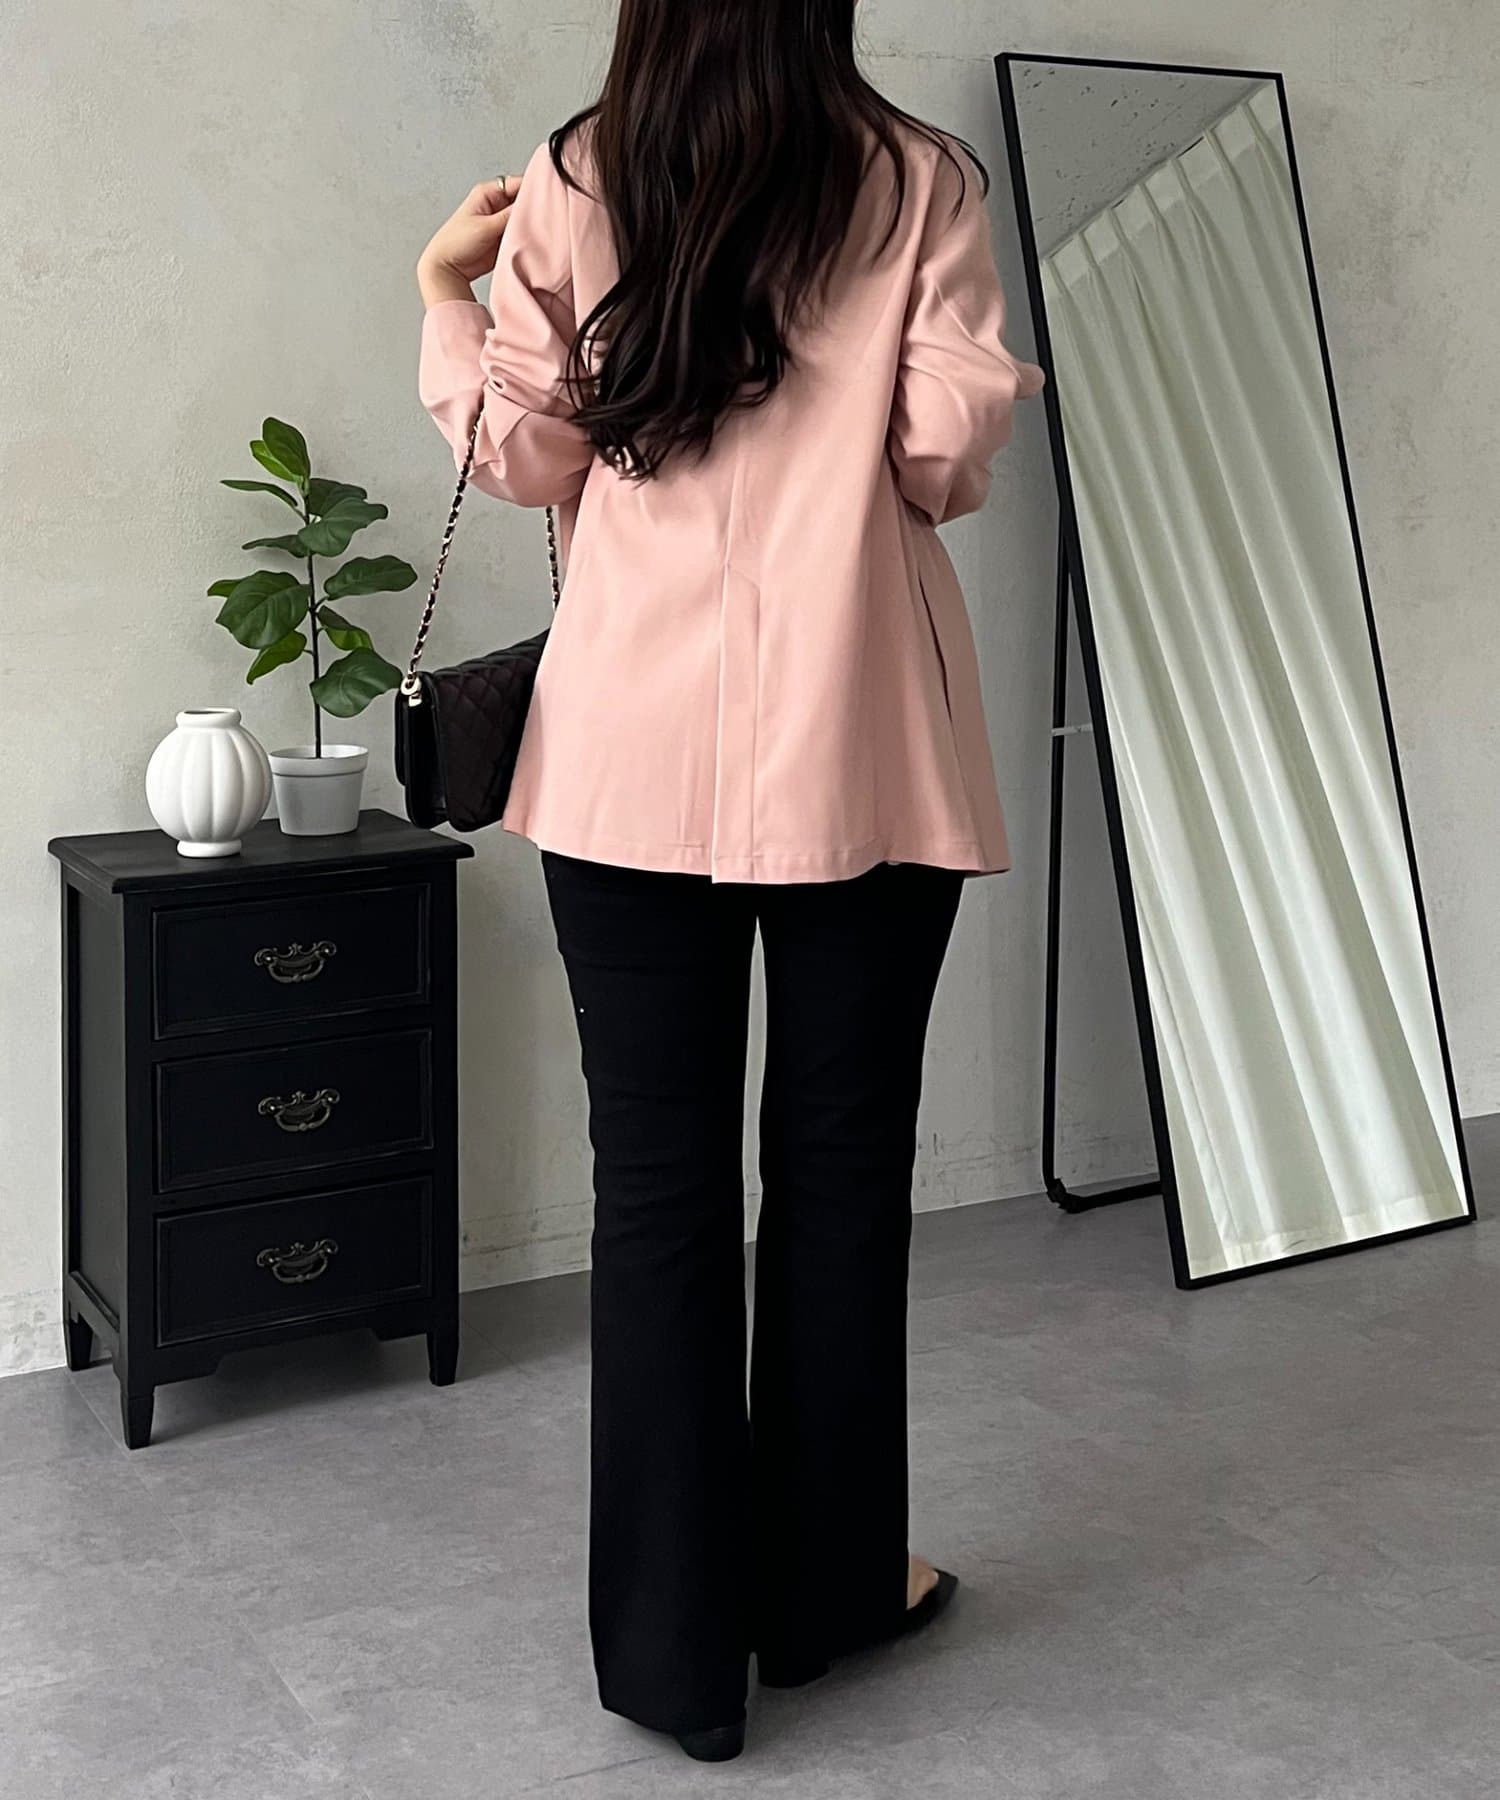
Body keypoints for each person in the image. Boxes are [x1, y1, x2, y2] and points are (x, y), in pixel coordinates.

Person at [416, 0, 1043, 1765]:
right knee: (840, 1181)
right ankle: (828, 1596)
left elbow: (524, 455)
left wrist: (445, 291)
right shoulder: (919, 179)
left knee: (656, 1199)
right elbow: (942, 461)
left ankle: (676, 1662)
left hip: (625, 760)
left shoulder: (580, 174)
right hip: (867, 750)